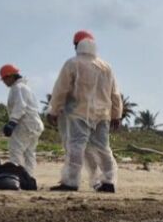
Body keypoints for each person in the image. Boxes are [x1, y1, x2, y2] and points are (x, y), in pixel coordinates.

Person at [47, 30, 122, 192]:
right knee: (103, 148)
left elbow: (61, 89)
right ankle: (109, 181)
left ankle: (71, 182)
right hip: (102, 115)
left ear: (76, 45)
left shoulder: (72, 63)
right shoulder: (106, 67)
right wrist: (116, 115)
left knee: (75, 146)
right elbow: (115, 93)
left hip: (78, 113)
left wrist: (54, 110)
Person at [0, 64, 44, 182]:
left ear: (11, 76)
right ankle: (28, 178)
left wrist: (12, 122)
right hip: (35, 125)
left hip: (25, 125)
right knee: (29, 153)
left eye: (4, 79)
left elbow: (20, 106)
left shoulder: (18, 88)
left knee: (16, 150)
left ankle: (17, 178)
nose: (4, 82)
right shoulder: (25, 87)